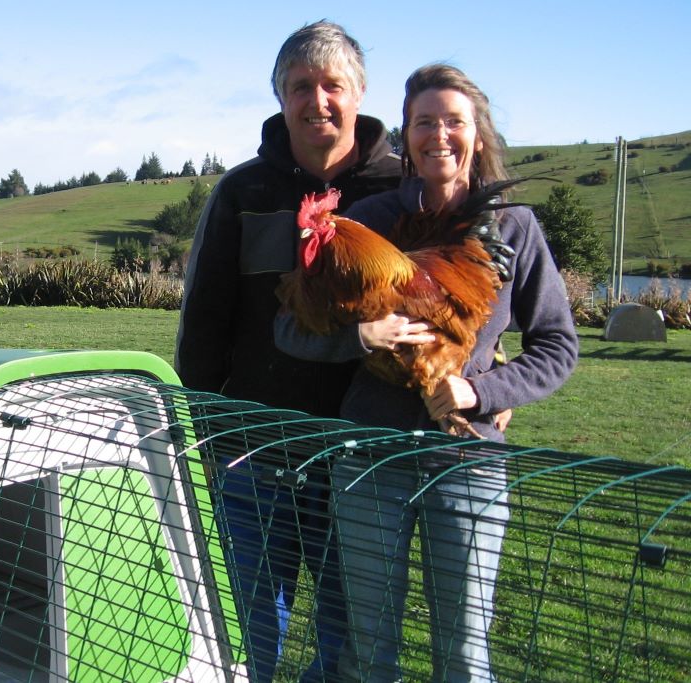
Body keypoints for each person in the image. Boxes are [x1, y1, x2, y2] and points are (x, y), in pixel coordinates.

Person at [274, 63, 579, 681]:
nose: (438, 134)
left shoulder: (514, 225)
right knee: (367, 647)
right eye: (423, 122)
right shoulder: (374, 215)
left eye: (453, 121)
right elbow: (291, 325)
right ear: (407, 135)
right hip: (369, 454)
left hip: (466, 459)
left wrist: (481, 388)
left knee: (463, 653)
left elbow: (557, 346)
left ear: (477, 133)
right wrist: (359, 337)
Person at [174, 20, 401, 683]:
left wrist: (485, 364)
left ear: (359, 92)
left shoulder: (401, 188)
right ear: (279, 96)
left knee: (347, 627)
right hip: (253, 443)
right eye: (300, 85)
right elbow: (204, 321)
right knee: (248, 625)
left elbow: (454, 288)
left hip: (362, 454)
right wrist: (208, 423)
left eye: (333, 84)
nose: (317, 100)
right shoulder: (242, 193)